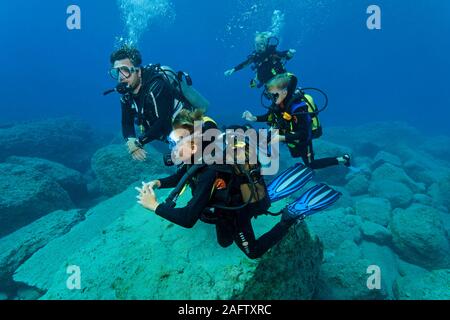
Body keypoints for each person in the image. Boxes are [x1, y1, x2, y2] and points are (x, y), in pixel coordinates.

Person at [136, 109, 341, 259]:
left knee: (253, 252)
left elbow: (188, 218)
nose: (173, 146)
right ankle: (262, 198)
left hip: (235, 211)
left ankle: (288, 217)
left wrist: (154, 206)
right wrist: (158, 182)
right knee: (224, 243)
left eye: (177, 141)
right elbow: (182, 176)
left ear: (195, 141)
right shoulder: (196, 159)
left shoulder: (209, 169)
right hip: (221, 206)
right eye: (172, 140)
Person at [108, 45, 210, 161]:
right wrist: (130, 140)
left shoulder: (157, 86)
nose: (120, 78)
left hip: (193, 131)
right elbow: (126, 123)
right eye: (116, 72)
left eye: (125, 70)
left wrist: (138, 142)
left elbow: (162, 121)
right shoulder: (127, 96)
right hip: (175, 139)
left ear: (138, 71)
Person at [242, 73, 351, 170]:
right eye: (269, 95)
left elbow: (304, 134)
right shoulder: (278, 102)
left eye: (274, 95)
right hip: (288, 133)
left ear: (284, 92)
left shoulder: (298, 108)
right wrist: (253, 118)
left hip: (303, 137)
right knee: (265, 141)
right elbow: (270, 116)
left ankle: (343, 159)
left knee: (311, 164)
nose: (272, 99)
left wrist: (281, 138)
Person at [224, 32, 296, 88]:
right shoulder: (255, 56)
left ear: (266, 44)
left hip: (280, 78)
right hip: (268, 83)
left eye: (261, 44)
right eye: (256, 45)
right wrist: (233, 69)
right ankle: (255, 81)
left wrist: (289, 53)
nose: (258, 47)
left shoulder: (271, 52)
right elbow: (245, 64)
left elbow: (282, 55)